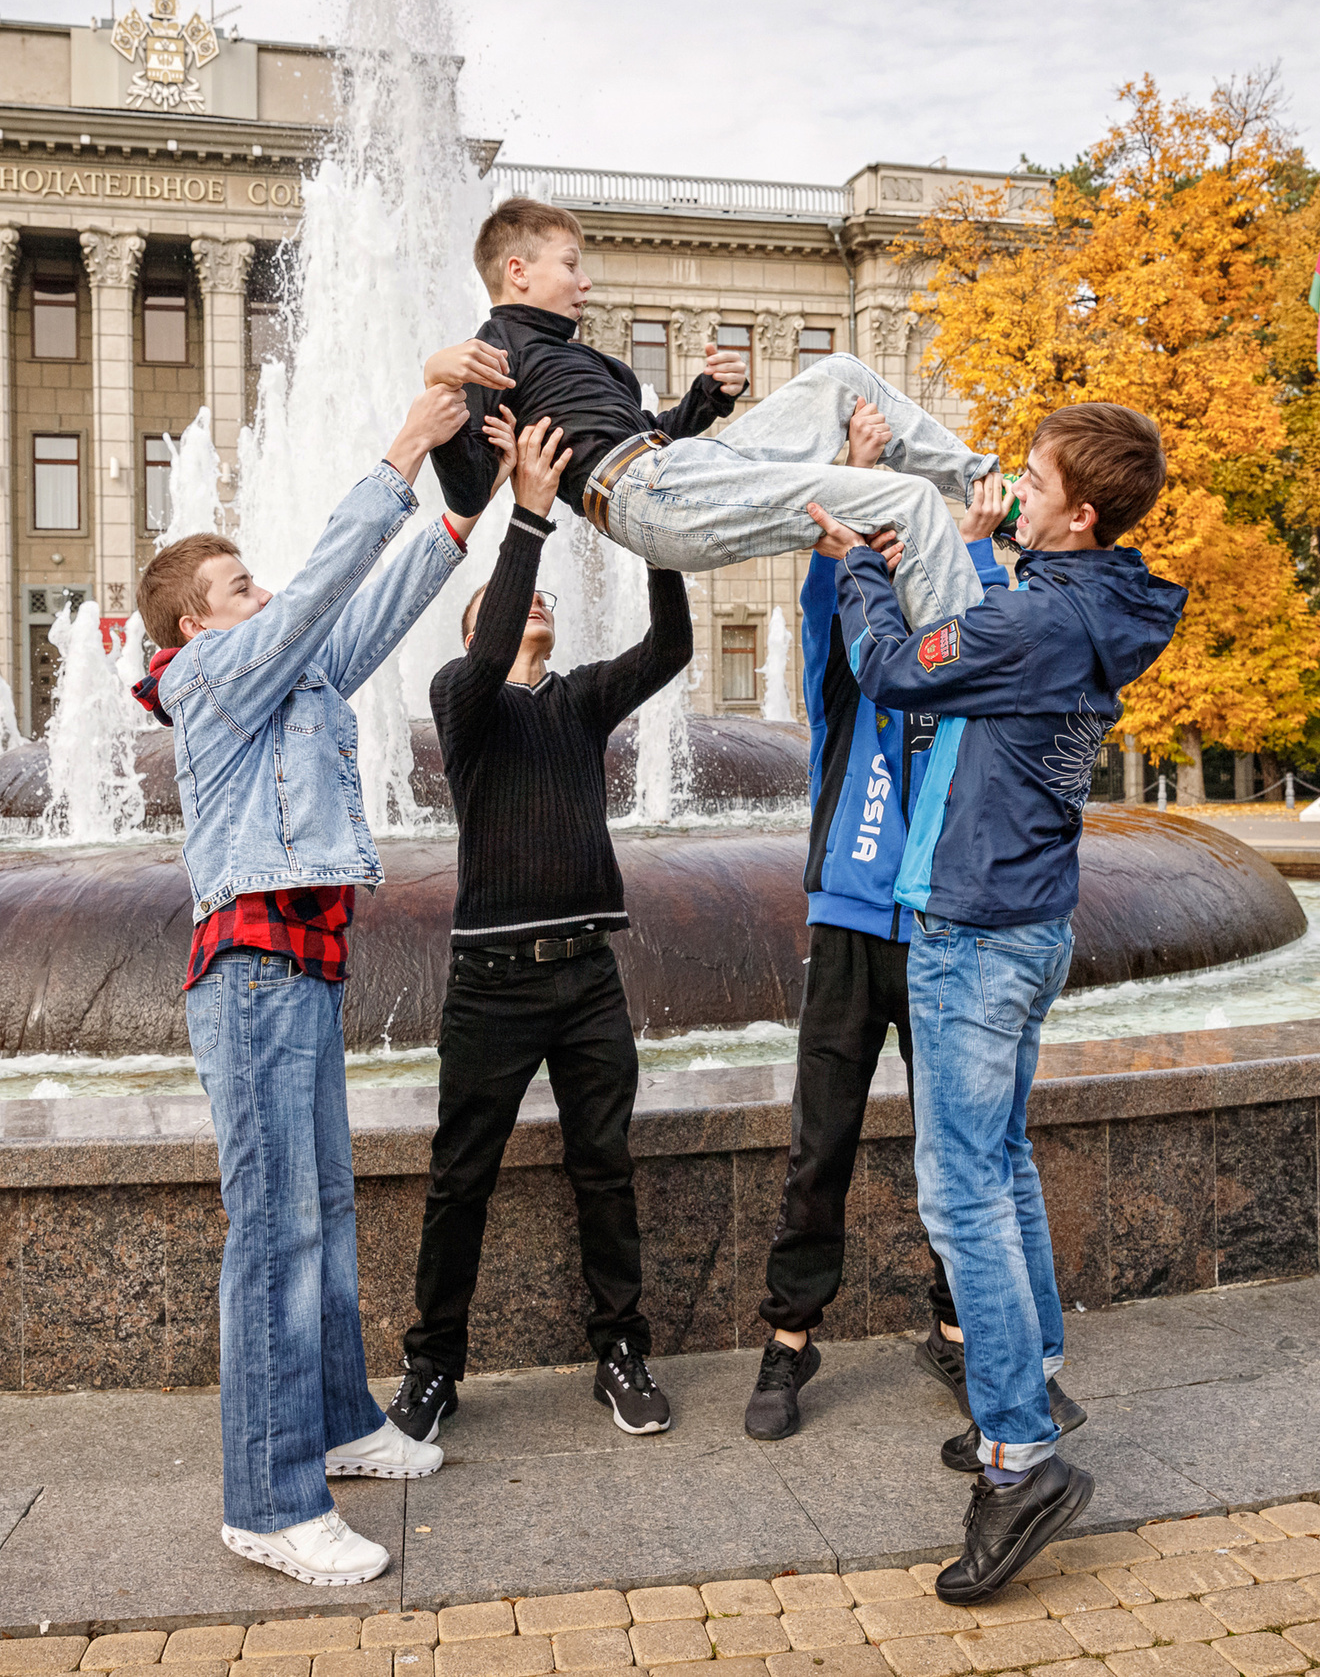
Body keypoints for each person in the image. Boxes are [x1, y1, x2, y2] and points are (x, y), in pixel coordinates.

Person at [824, 401, 1187, 1604]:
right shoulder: (1087, 608)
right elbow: (978, 648)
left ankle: (1019, 1456)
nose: (1011, 489)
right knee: (1004, 1166)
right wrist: (969, 558)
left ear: (1079, 512)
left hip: (975, 928)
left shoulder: (1039, 618)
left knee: (959, 1190)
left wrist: (860, 572)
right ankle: (1029, 1386)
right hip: (1026, 920)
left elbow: (890, 673)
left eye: (1031, 482)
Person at [129, 377, 475, 1589]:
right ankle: (270, 1503)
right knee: (273, 1233)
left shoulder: (280, 675)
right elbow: (326, 588)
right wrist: (396, 454)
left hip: (299, 970)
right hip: (253, 972)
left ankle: (335, 1422)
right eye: (240, 590)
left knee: (321, 1210)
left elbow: (361, 617)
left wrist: (461, 515)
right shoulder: (206, 680)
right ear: (193, 627)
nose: (263, 597)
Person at [745, 401, 1085, 1454]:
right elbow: (827, 596)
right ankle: (790, 1338)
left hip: (950, 925)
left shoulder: (969, 664)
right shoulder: (852, 679)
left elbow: (994, 635)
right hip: (851, 924)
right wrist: (847, 488)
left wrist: (978, 553)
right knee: (822, 1144)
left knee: (965, 1152)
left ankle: (960, 1333)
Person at [387, 414, 691, 1444]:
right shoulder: (463, 704)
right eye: (516, 606)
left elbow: (674, 645)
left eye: (542, 601)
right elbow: (491, 629)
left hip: (586, 977)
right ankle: (433, 1370)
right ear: (479, 626)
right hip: (492, 985)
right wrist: (524, 521)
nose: (536, 610)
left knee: (602, 1168)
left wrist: (661, 544)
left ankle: (621, 1351)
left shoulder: (580, 702)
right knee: (458, 1176)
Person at [424, 198, 998, 630]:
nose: (586, 280)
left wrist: (708, 395)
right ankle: (970, 674)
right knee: (910, 502)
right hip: (641, 492)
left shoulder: (594, 365)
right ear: (518, 271)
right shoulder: (492, 351)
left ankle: (981, 482)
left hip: (675, 467)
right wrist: (441, 383)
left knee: (842, 375)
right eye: (572, 265)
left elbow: (657, 434)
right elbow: (469, 490)